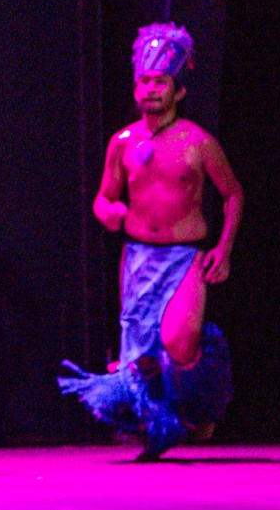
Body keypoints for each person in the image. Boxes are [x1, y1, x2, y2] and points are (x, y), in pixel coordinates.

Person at [59, 24, 243, 460]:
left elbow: (233, 193)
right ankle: (159, 424)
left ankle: (202, 406)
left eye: (160, 82)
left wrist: (225, 249)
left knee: (179, 342)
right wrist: (110, 213)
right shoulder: (121, 143)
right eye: (144, 81)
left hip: (186, 257)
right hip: (139, 257)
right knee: (140, 356)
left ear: (178, 91)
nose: (150, 90)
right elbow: (103, 200)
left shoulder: (198, 143)